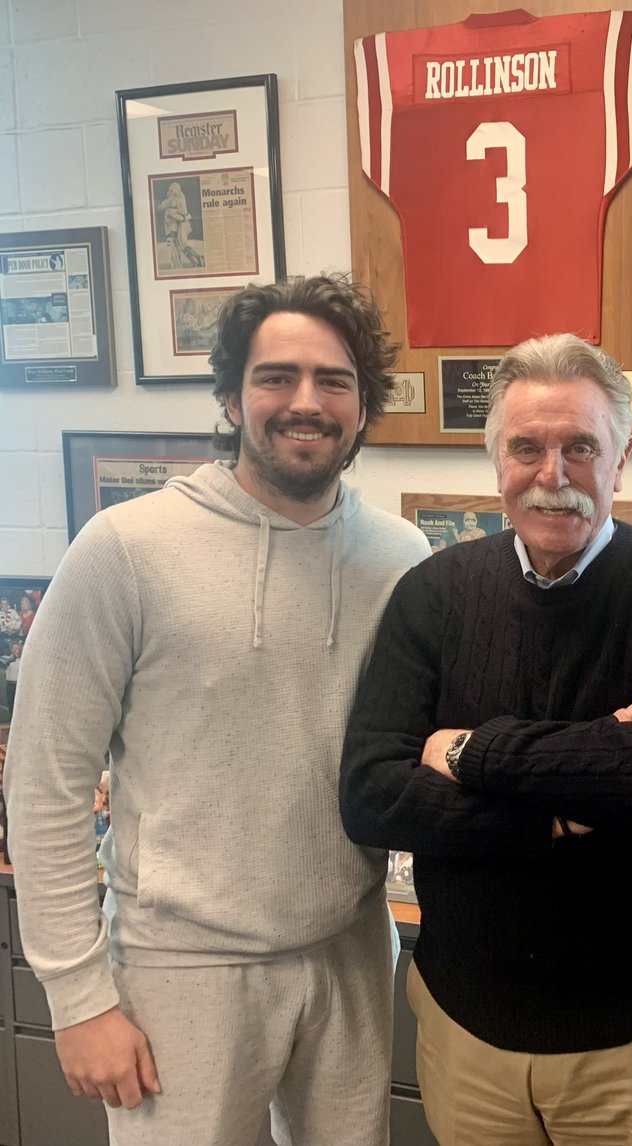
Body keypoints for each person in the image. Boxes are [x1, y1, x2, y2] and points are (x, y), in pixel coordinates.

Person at [3, 274, 431, 1146]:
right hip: (182, 969)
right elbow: (45, 782)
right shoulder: (125, 551)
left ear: (363, 407)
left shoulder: (401, 557)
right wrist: (79, 999)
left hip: (349, 951)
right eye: (276, 377)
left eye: (334, 381)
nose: (304, 402)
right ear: (233, 397)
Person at [341, 332, 632, 1146]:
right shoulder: (435, 593)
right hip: (468, 1027)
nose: (552, 475)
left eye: (580, 447)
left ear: (621, 460)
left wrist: (465, 751)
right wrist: (559, 812)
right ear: (496, 463)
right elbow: (373, 794)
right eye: (526, 447)